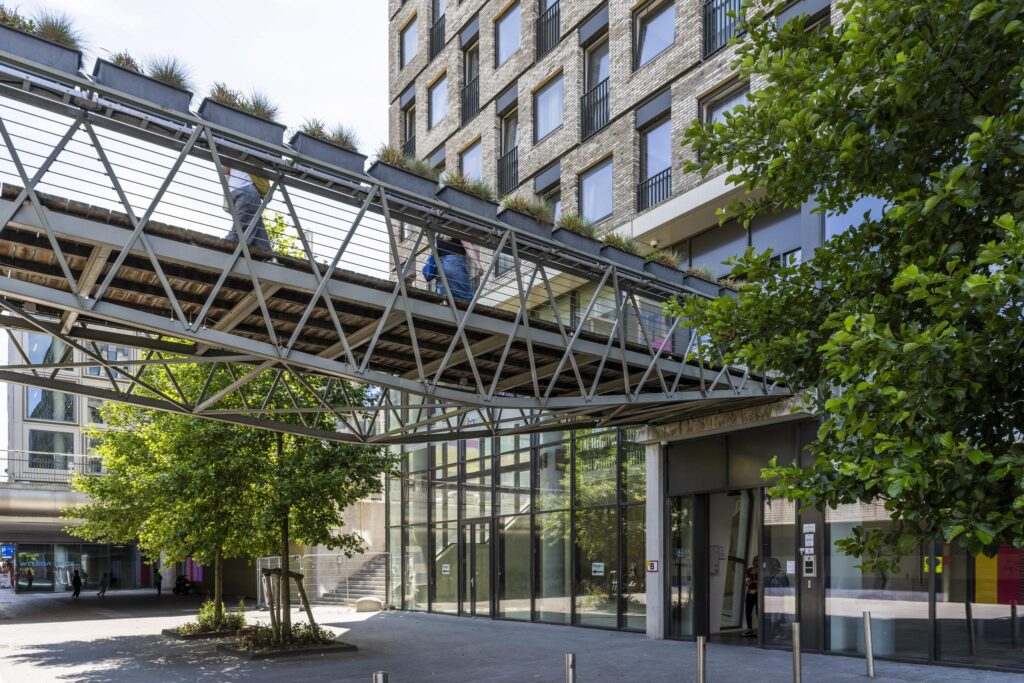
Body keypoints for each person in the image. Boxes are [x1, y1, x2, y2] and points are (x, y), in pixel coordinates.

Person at [221, 165, 272, 252]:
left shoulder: (231, 151)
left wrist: (226, 196)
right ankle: (221, 253)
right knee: (239, 232)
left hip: (233, 190)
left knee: (258, 232)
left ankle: (267, 256)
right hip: (247, 189)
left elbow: (226, 170)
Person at [425, 233, 482, 302]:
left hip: (440, 267)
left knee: (444, 297)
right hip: (454, 264)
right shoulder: (456, 228)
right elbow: (467, 246)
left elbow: (434, 251)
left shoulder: (438, 233)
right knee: (466, 298)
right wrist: (478, 264)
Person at [743, 555, 759, 637]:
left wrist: (756, 590)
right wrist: (748, 581)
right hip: (750, 592)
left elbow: (762, 582)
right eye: (754, 560)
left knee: (758, 611)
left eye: (756, 560)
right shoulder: (749, 570)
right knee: (748, 610)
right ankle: (749, 628)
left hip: (758, 593)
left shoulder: (762, 570)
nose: (755, 562)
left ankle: (761, 629)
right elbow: (747, 579)